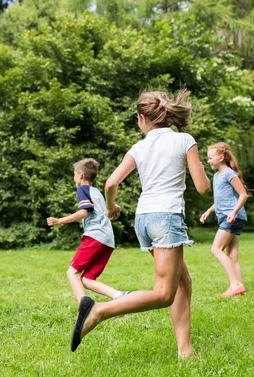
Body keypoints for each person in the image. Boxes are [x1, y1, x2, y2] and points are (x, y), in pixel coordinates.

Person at [70, 90, 210, 359]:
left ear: (144, 118)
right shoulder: (184, 140)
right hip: (166, 218)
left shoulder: (139, 147)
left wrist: (110, 207)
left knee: (184, 282)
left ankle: (185, 350)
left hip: (143, 220)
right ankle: (99, 310)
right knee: (164, 294)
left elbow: (111, 183)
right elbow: (203, 187)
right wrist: (199, 165)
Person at [47, 158, 128, 304]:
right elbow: (107, 213)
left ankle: (85, 308)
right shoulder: (96, 192)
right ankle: (119, 296)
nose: (74, 177)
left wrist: (59, 221)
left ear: (80, 175)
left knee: (72, 273)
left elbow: (84, 212)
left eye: (73, 174)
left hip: (95, 237)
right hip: (108, 241)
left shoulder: (82, 189)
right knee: (87, 279)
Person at [199, 142, 250, 297]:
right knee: (232, 255)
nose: (208, 161)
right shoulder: (216, 176)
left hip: (231, 217)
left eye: (210, 158)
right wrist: (208, 211)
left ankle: (234, 285)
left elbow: (243, 195)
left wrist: (234, 212)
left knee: (215, 249)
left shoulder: (229, 173)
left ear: (221, 158)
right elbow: (221, 199)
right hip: (229, 216)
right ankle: (241, 289)